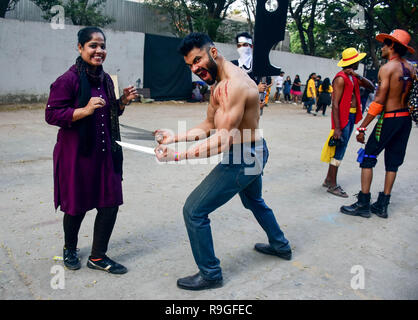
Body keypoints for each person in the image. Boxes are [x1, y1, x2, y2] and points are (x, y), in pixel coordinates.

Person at [154, 32, 291, 291]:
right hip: (253, 151)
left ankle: (211, 274)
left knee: (194, 211)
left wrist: (178, 157)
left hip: (243, 157)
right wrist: (175, 137)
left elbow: (221, 140)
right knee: (254, 201)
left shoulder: (234, 86)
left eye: (197, 60)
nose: (195, 69)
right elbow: (209, 124)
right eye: (190, 66)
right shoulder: (219, 83)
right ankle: (280, 245)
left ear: (213, 52)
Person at [45, 27, 138, 274]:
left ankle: (97, 257)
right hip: (77, 155)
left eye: (102, 46)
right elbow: (51, 114)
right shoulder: (68, 80)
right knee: (76, 205)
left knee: (110, 204)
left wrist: (122, 102)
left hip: (105, 153)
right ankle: (69, 247)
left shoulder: (106, 79)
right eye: (93, 46)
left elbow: (109, 114)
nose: (99, 51)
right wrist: (83, 111)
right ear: (80, 48)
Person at [340, 29, 415, 218]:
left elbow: (379, 102)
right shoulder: (412, 68)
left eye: (385, 44)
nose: (381, 47)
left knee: (367, 158)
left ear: (392, 46)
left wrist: (363, 126)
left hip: (389, 119)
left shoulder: (387, 69)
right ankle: (383, 204)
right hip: (405, 119)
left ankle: (364, 203)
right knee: (393, 163)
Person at [322, 47, 375, 197]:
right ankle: (332, 185)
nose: (359, 61)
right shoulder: (340, 78)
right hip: (343, 119)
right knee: (339, 150)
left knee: (340, 149)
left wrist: (357, 75)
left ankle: (328, 179)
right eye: (358, 59)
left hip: (350, 117)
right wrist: (337, 128)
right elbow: (336, 104)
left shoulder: (352, 77)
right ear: (354, 61)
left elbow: (371, 87)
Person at [231, 32, 272, 113]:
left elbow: (265, 84)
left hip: (253, 109)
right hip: (236, 109)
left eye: (245, 45)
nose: (242, 48)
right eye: (239, 45)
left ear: (251, 46)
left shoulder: (260, 66)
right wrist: (256, 88)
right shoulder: (232, 65)